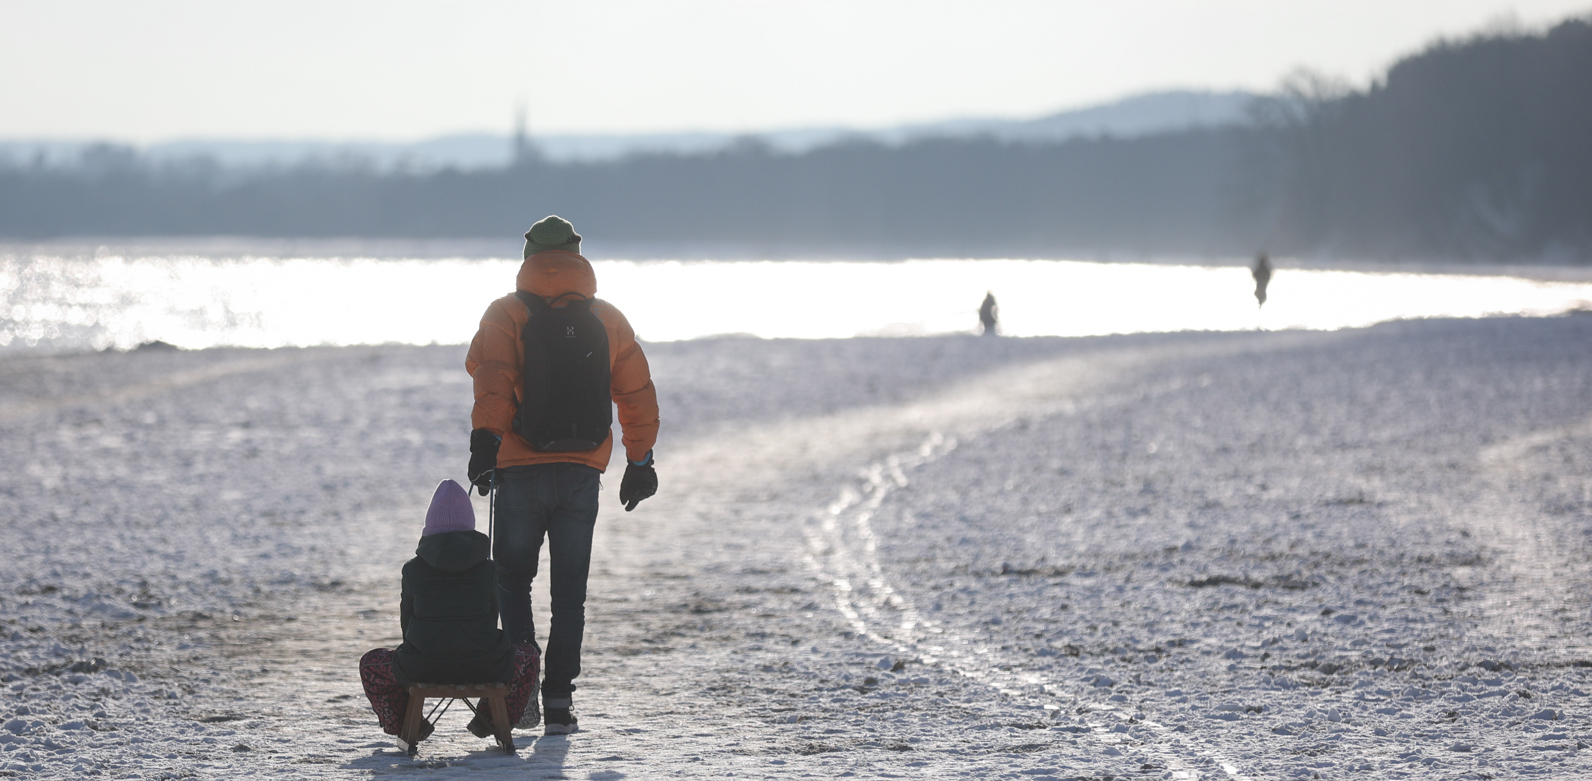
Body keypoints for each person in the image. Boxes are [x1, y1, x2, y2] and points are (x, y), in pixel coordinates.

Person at [465, 215, 660, 736]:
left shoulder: (505, 313)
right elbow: (636, 394)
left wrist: (486, 440)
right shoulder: (609, 318)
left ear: (527, 258)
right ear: (578, 256)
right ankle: (557, 702)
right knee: (569, 591)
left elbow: (487, 375)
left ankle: (519, 691)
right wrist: (639, 462)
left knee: (511, 579)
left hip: (519, 470)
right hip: (581, 471)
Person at [359, 479, 541, 742]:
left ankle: (408, 727)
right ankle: (489, 721)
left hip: (422, 665)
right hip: (484, 664)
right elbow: (491, 619)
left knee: (370, 663)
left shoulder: (412, 570)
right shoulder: (488, 569)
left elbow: (406, 625)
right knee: (529, 657)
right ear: (470, 526)